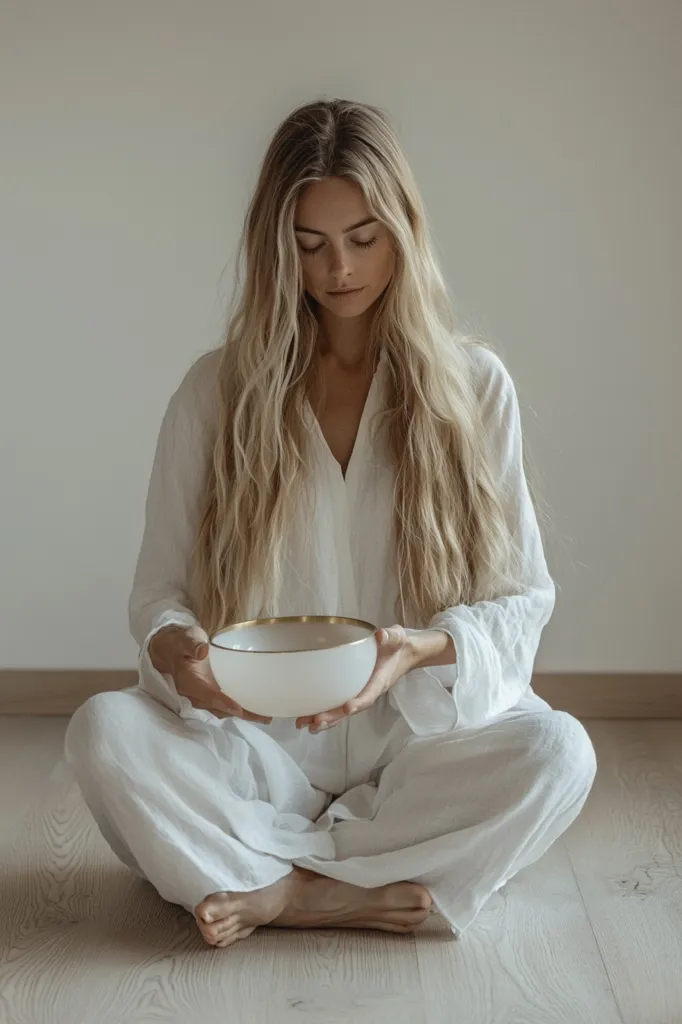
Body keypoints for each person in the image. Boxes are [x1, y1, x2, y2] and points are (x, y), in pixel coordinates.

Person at [64, 98, 597, 950]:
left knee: (562, 755)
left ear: (404, 230)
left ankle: (279, 889)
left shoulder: (474, 388)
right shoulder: (215, 394)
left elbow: (521, 598)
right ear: (277, 248)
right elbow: (157, 593)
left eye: (362, 237)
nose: (338, 268)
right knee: (102, 733)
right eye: (309, 245)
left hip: (418, 748)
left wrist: (418, 649)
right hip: (257, 753)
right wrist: (180, 653)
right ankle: (363, 888)